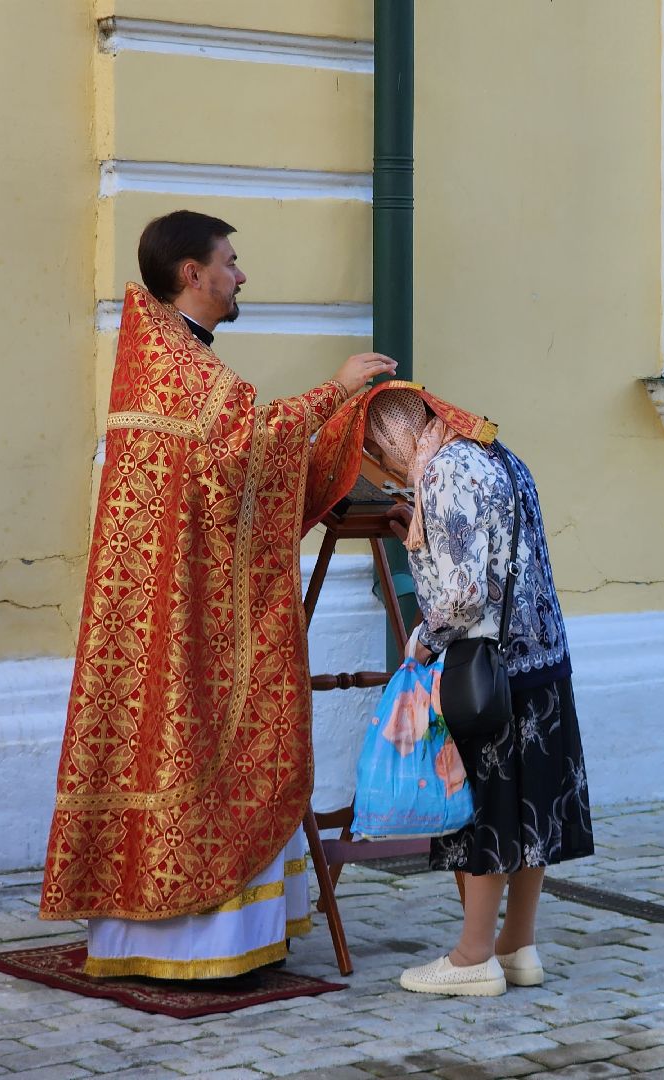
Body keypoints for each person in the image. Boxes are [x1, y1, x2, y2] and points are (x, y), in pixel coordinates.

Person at [39, 210, 396, 978]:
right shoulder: (179, 366)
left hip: (176, 596)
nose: (241, 276)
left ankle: (184, 938)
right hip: (184, 606)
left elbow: (235, 466)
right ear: (190, 274)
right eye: (230, 262)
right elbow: (250, 452)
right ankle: (193, 945)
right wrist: (336, 396)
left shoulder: (165, 357)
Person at [394, 405, 592, 997]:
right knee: (529, 810)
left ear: (390, 434)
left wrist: (423, 640)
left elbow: (463, 593)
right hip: (542, 663)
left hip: (486, 671)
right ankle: (517, 947)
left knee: (484, 811)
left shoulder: (444, 472)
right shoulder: (496, 455)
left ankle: (472, 956)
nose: (386, 469)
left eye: (378, 453)